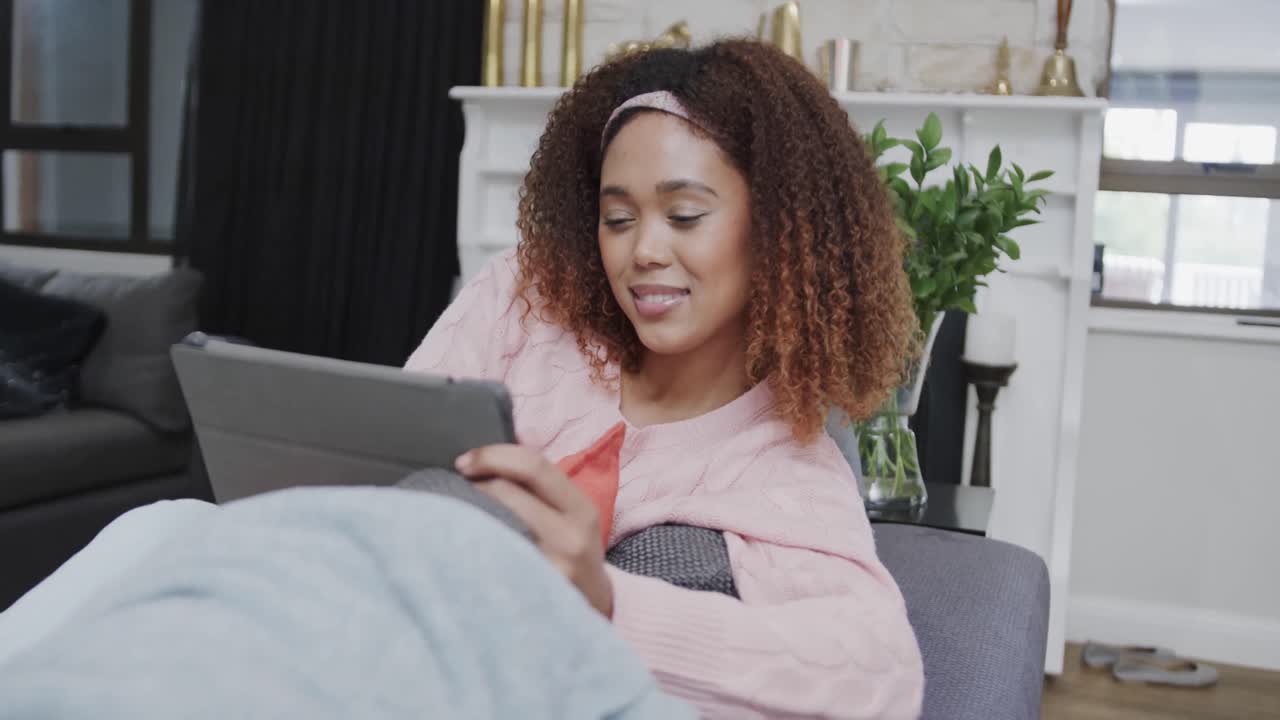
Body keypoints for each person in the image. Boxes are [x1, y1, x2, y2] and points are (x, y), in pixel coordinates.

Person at [406, 40, 924, 718]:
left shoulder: (783, 465)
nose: (643, 251)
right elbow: (391, 440)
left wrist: (611, 603)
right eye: (617, 219)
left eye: (684, 216)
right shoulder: (524, 295)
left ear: (775, 229)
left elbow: (885, 677)